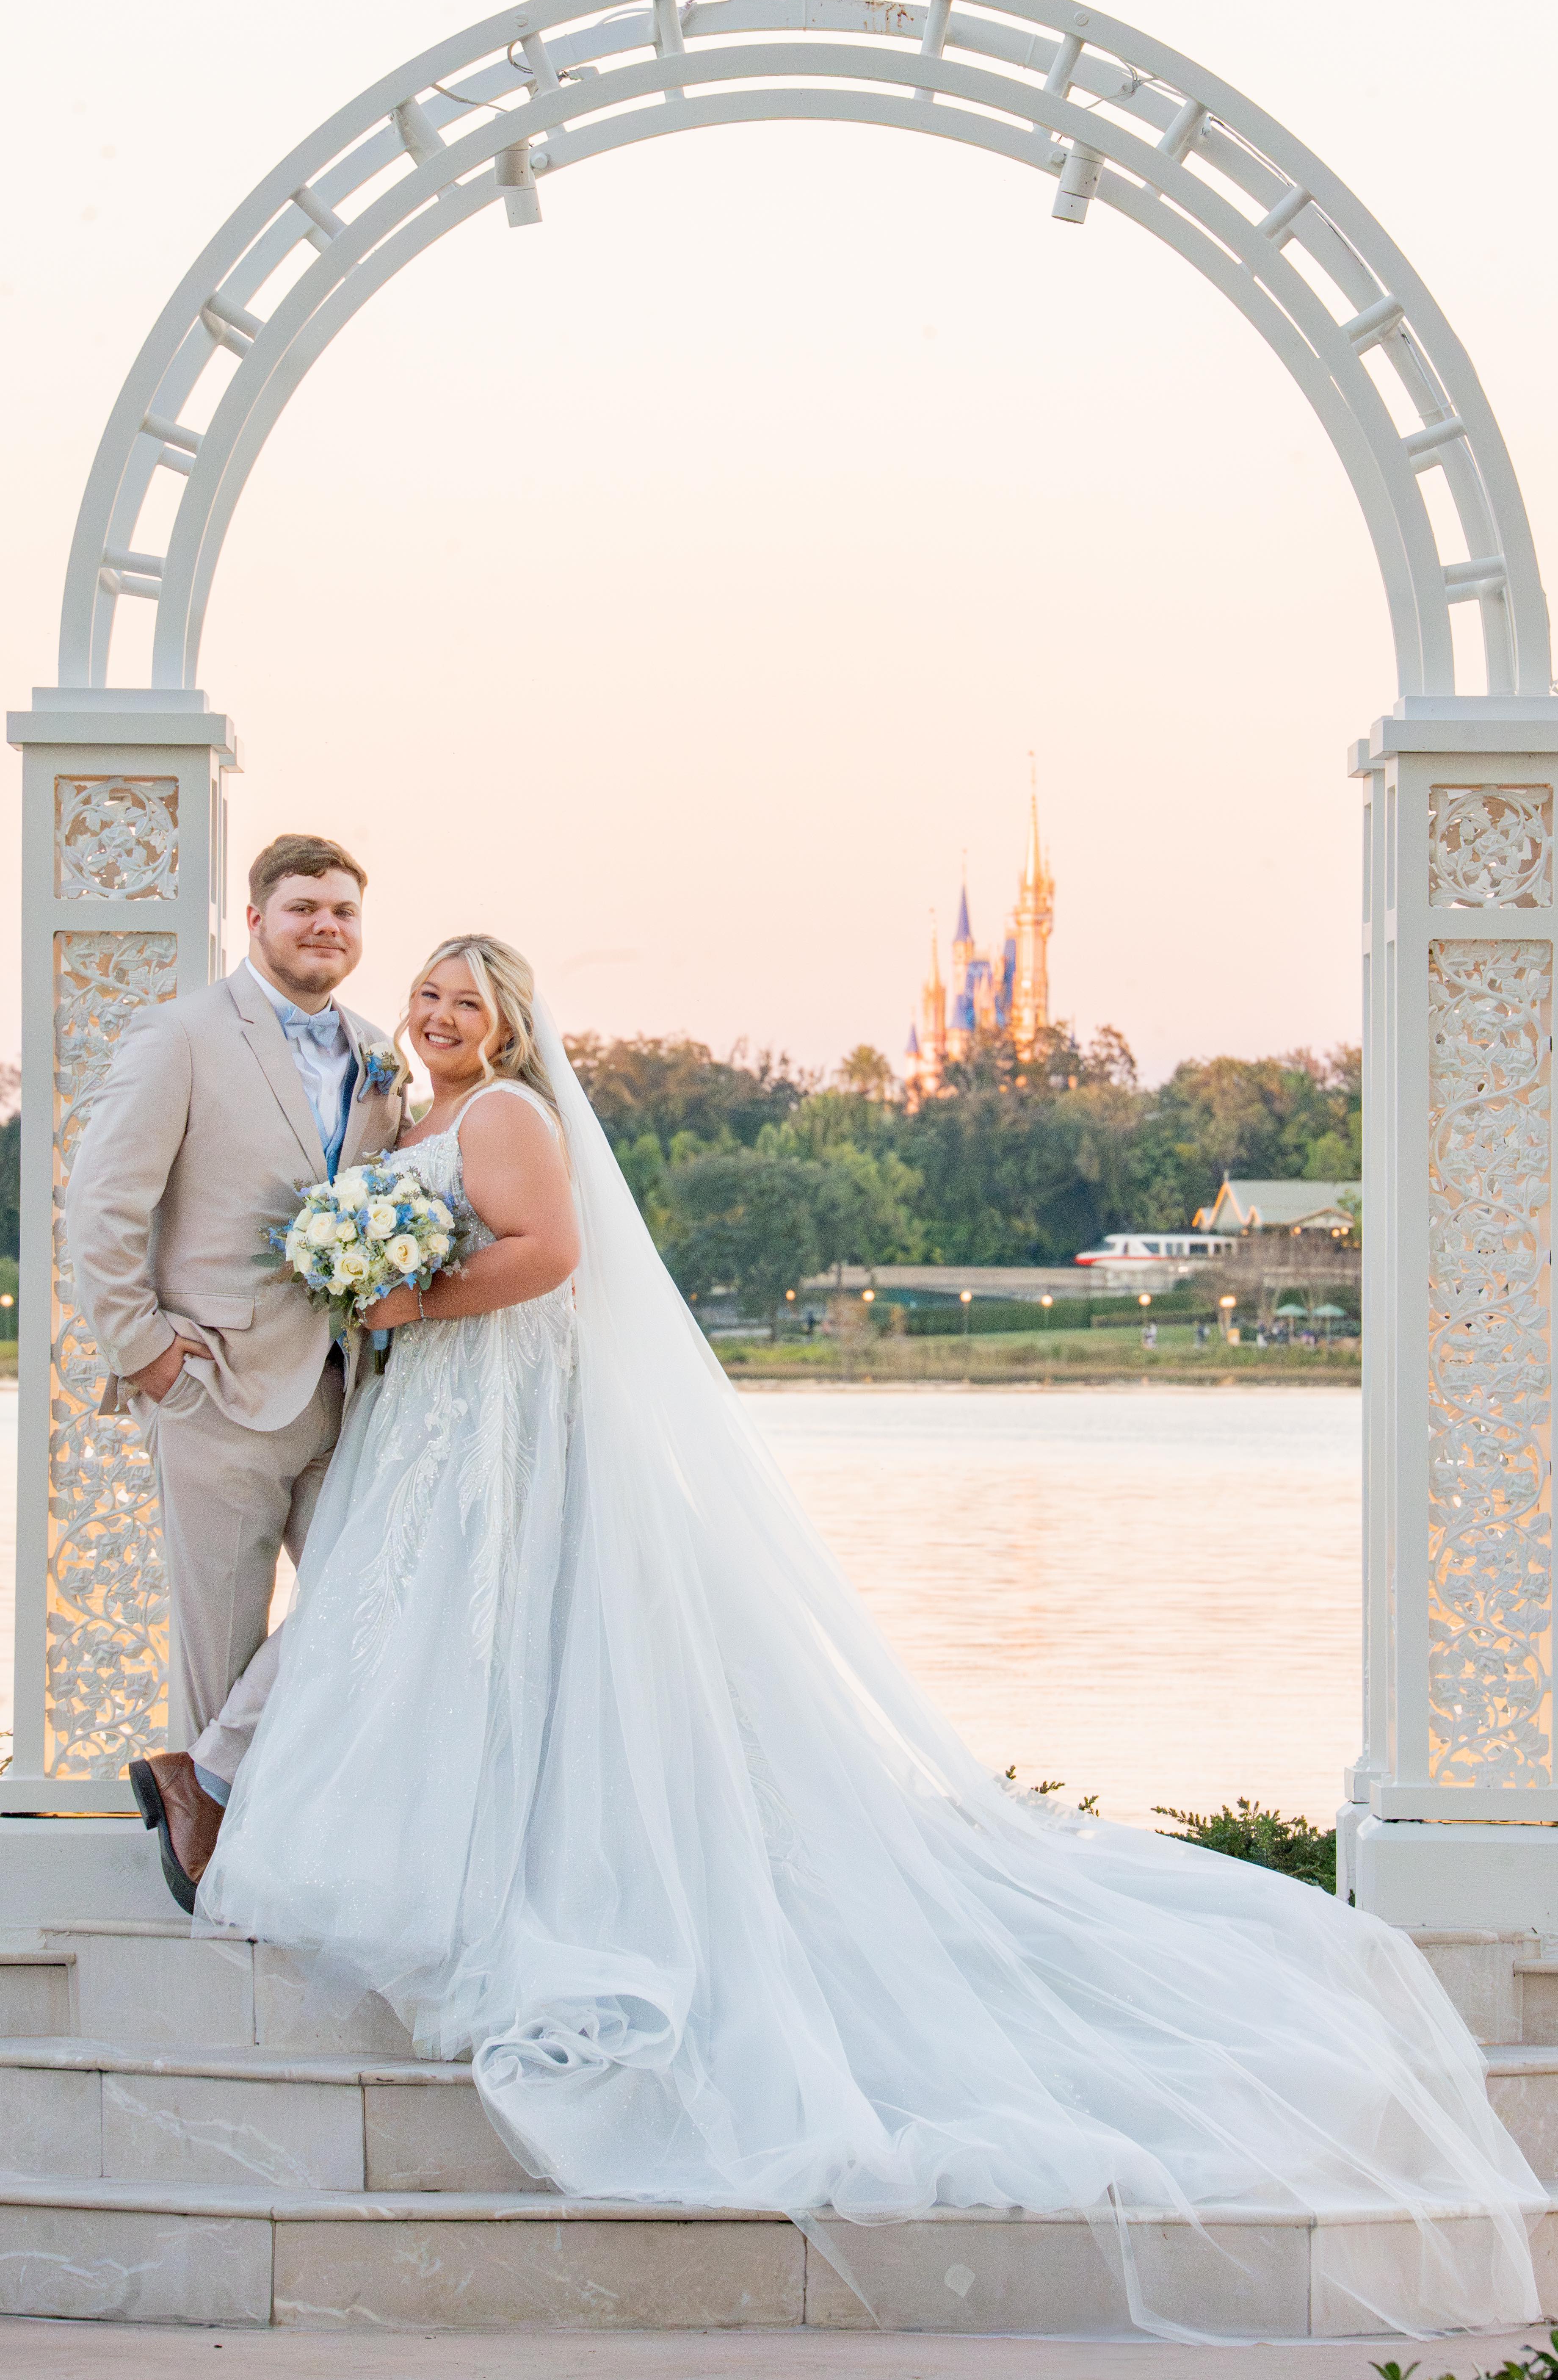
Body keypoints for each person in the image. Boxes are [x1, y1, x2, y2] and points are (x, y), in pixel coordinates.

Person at [199, 934, 1543, 2343]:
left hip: (502, 1411)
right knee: (418, 1640)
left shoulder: (513, 1115)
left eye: (466, 1002)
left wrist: (412, 1293)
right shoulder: (407, 1115)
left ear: (511, 1021)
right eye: (429, 997)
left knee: (502, 1643)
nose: (440, 1016)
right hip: (435, 1423)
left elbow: (548, 1258)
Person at [66, 835, 403, 1909]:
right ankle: (232, 1867)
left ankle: (198, 1776)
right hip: (212, 1383)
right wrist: (151, 1357)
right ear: (254, 920)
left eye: (345, 912)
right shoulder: (183, 1036)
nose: (327, 927)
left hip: (348, 1393)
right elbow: (101, 1210)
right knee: (222, 1635)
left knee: (382, 1594)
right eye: (305, 907)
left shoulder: (378, 1052)